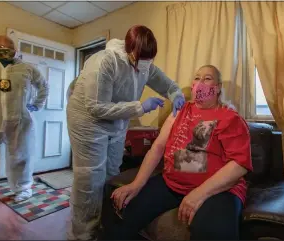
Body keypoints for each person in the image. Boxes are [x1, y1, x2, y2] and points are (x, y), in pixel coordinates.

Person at [107, 65, 253, 240]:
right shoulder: (180, 110)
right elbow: (157, 148)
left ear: (219, 87)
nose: (200, 83)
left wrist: (199, 193)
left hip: (219, 191)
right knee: (125, 214)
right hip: (171, 184)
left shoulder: (230, 118)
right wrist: (136, 184)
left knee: (212, 231)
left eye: (207, 79)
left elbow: (239, 165)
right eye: (197, 78)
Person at [66, 25, 185, 240]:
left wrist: (175, 93)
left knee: (112, 172)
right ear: (131, 50)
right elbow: (96, 107)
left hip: (117, 121)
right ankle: (81, 234)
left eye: (149, 59)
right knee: (90, 178)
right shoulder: (104, 62)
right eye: (143, 58)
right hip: (87, 121)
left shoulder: (144, 63)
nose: (146, 65)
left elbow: (166, 84)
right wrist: (140, 107)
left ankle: (103, 224)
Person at [0, 36, 49, 202]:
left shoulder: (27, 69)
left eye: (9, 49)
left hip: (20, 120)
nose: (5, 52)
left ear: (15, 50)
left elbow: (43, 86)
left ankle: (23, 189)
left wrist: (36, 105)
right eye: (1, 49)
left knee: (20, 155)